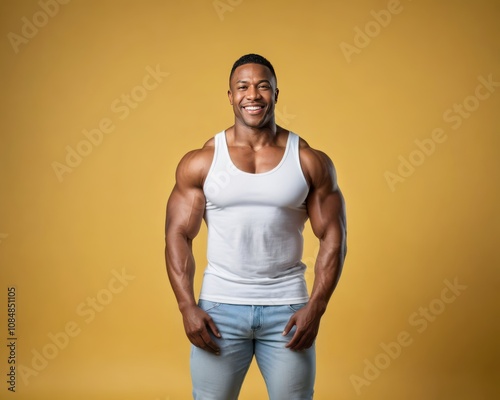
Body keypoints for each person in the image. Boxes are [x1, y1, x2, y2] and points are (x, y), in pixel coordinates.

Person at [165, 53, 347, 400]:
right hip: (219, 309)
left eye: (263, 86)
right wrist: (187, 305)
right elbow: (177, 233)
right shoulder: (202, 161)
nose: (253, 94)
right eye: (243, 87)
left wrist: (316, 308)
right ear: (231, 96)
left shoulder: (308, 160)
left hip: (288, 313)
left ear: (276, 94)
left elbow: (334, 236)